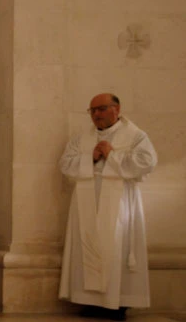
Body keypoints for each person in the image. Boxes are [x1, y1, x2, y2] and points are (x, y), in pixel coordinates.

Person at [59, 94, 157, 321]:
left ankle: (117, 302)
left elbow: (147, 162)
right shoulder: (82, 138)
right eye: (92, 111)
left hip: (120, 200)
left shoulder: (135, 136)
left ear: (117, 109)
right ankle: (90, 301)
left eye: (101, 109)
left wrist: (112, 154)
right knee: (88, 245)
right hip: (86, 200)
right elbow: (65, 164)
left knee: (116, 247)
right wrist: (90, 157)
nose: (96, 115)